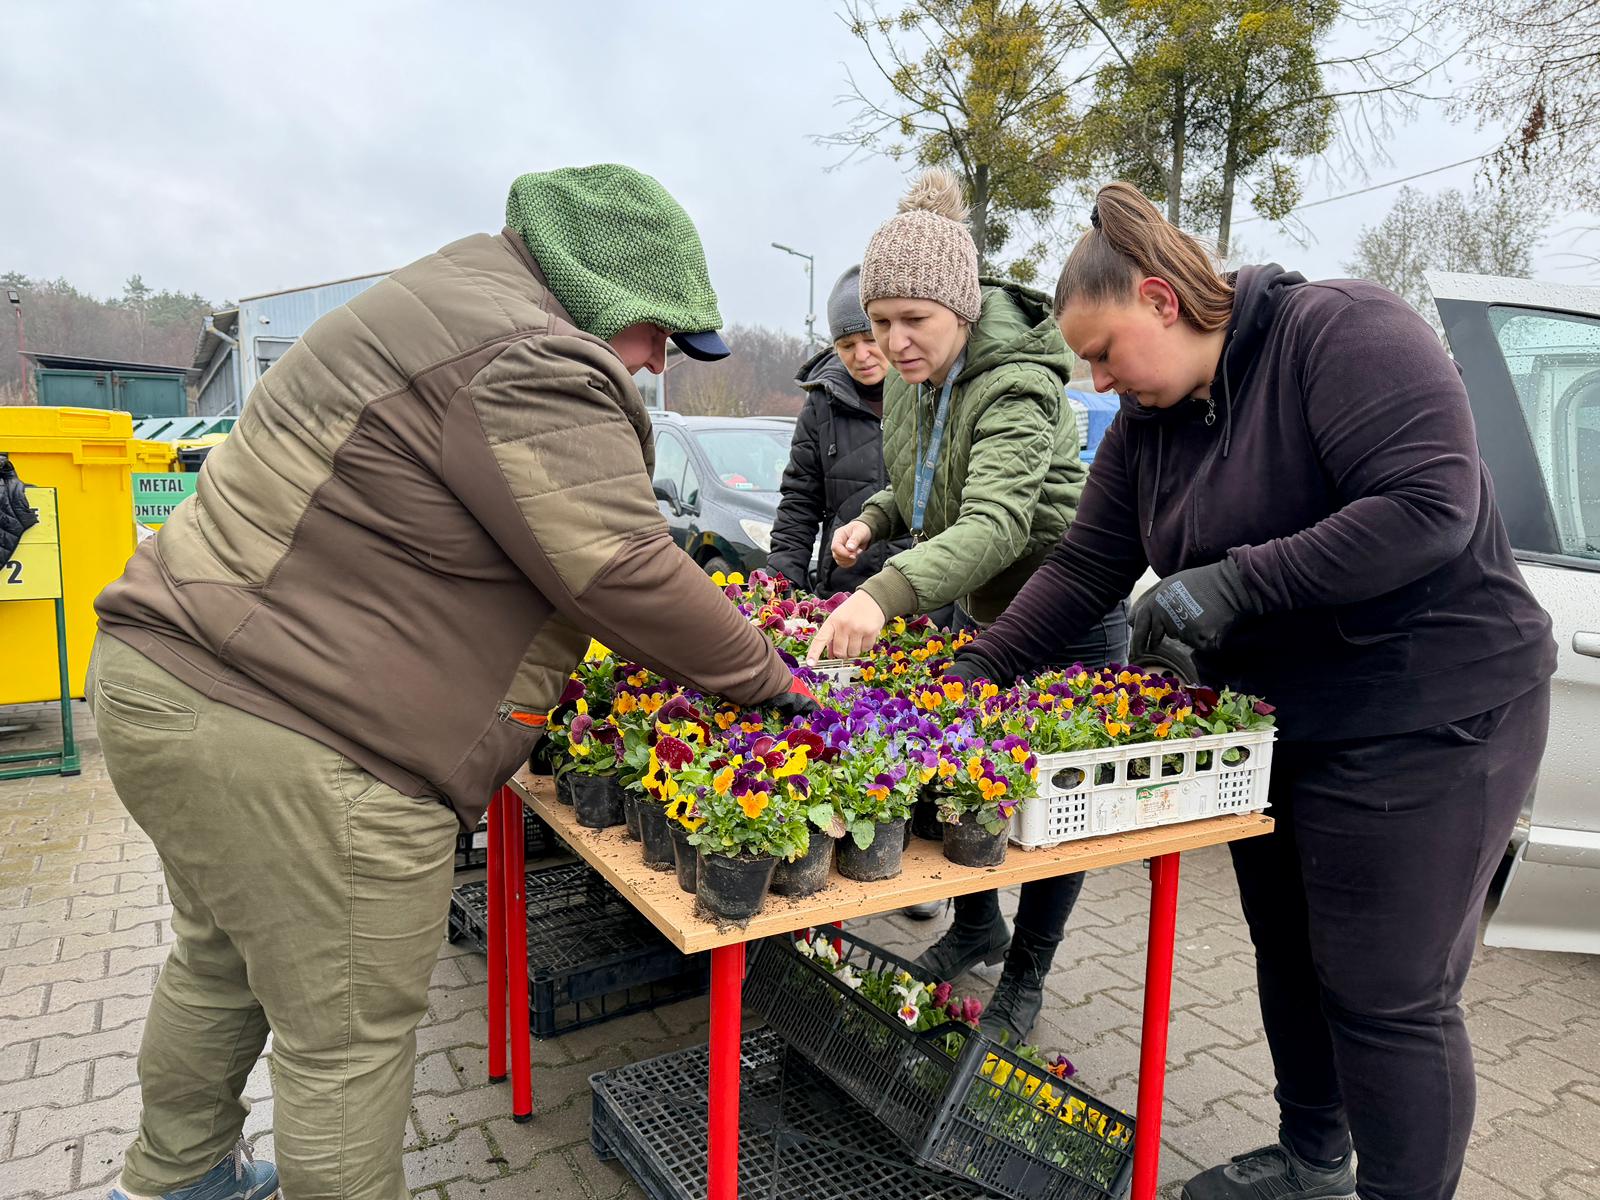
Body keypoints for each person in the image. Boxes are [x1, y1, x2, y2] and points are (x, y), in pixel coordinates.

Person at [88, 164, 812, 1200]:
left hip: (174, 683)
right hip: (300, 738)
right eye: (659, 331)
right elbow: (618, 569)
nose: (660, 361)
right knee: (345, 1040)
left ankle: (176, 1181)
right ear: (602, 291)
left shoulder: (450, 298)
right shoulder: (530, 356)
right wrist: (771, 682)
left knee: (218, 962)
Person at [946, 182, 1556, 1200]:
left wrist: (1233, 583)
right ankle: (1312, 1158)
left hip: (1432, 711)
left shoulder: (1341, 332)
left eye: (1103, 353)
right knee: (1289, 953)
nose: (1097, 381)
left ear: (1160, 300)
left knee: (1386, 993)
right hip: (1282, 722)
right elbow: (1085, 564)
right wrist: (978, 670)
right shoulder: (1149, 422)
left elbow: (1428, 504)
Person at [807, 167, 1130, 1044]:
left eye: (913, 320)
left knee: (1055, 814)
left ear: (963, 305)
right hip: (984, 615)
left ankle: (1026, 974)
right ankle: (979, 928)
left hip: (1065, 617)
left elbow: (995, 521)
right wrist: (875, 519)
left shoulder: (1017, 383)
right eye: (881, 322)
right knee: (965, 781)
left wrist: (881, 594)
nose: (894, 341)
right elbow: (927, 486)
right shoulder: (915, 381)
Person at [766, 264, 911, 596]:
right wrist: (779, 586)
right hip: (843, 593)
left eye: (870, 339)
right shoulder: (821, 404)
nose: (861, 355)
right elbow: (799, 502)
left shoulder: (929, 394)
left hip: (922, 597)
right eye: (846, 345)